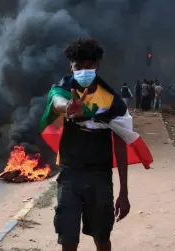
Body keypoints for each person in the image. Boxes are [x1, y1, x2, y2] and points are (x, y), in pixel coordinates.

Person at [45, 38, 130, 251]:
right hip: (69, 175)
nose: (83, 71)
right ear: (71, 67)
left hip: (99, 177)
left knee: (102, 237)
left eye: (88, 66)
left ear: (97, 65)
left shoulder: (111, 101)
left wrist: (124, 192)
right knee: (68, 239)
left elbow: (120, 145)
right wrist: (69, 108)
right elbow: (56, 102)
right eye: (78, 67)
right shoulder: (62, 89)